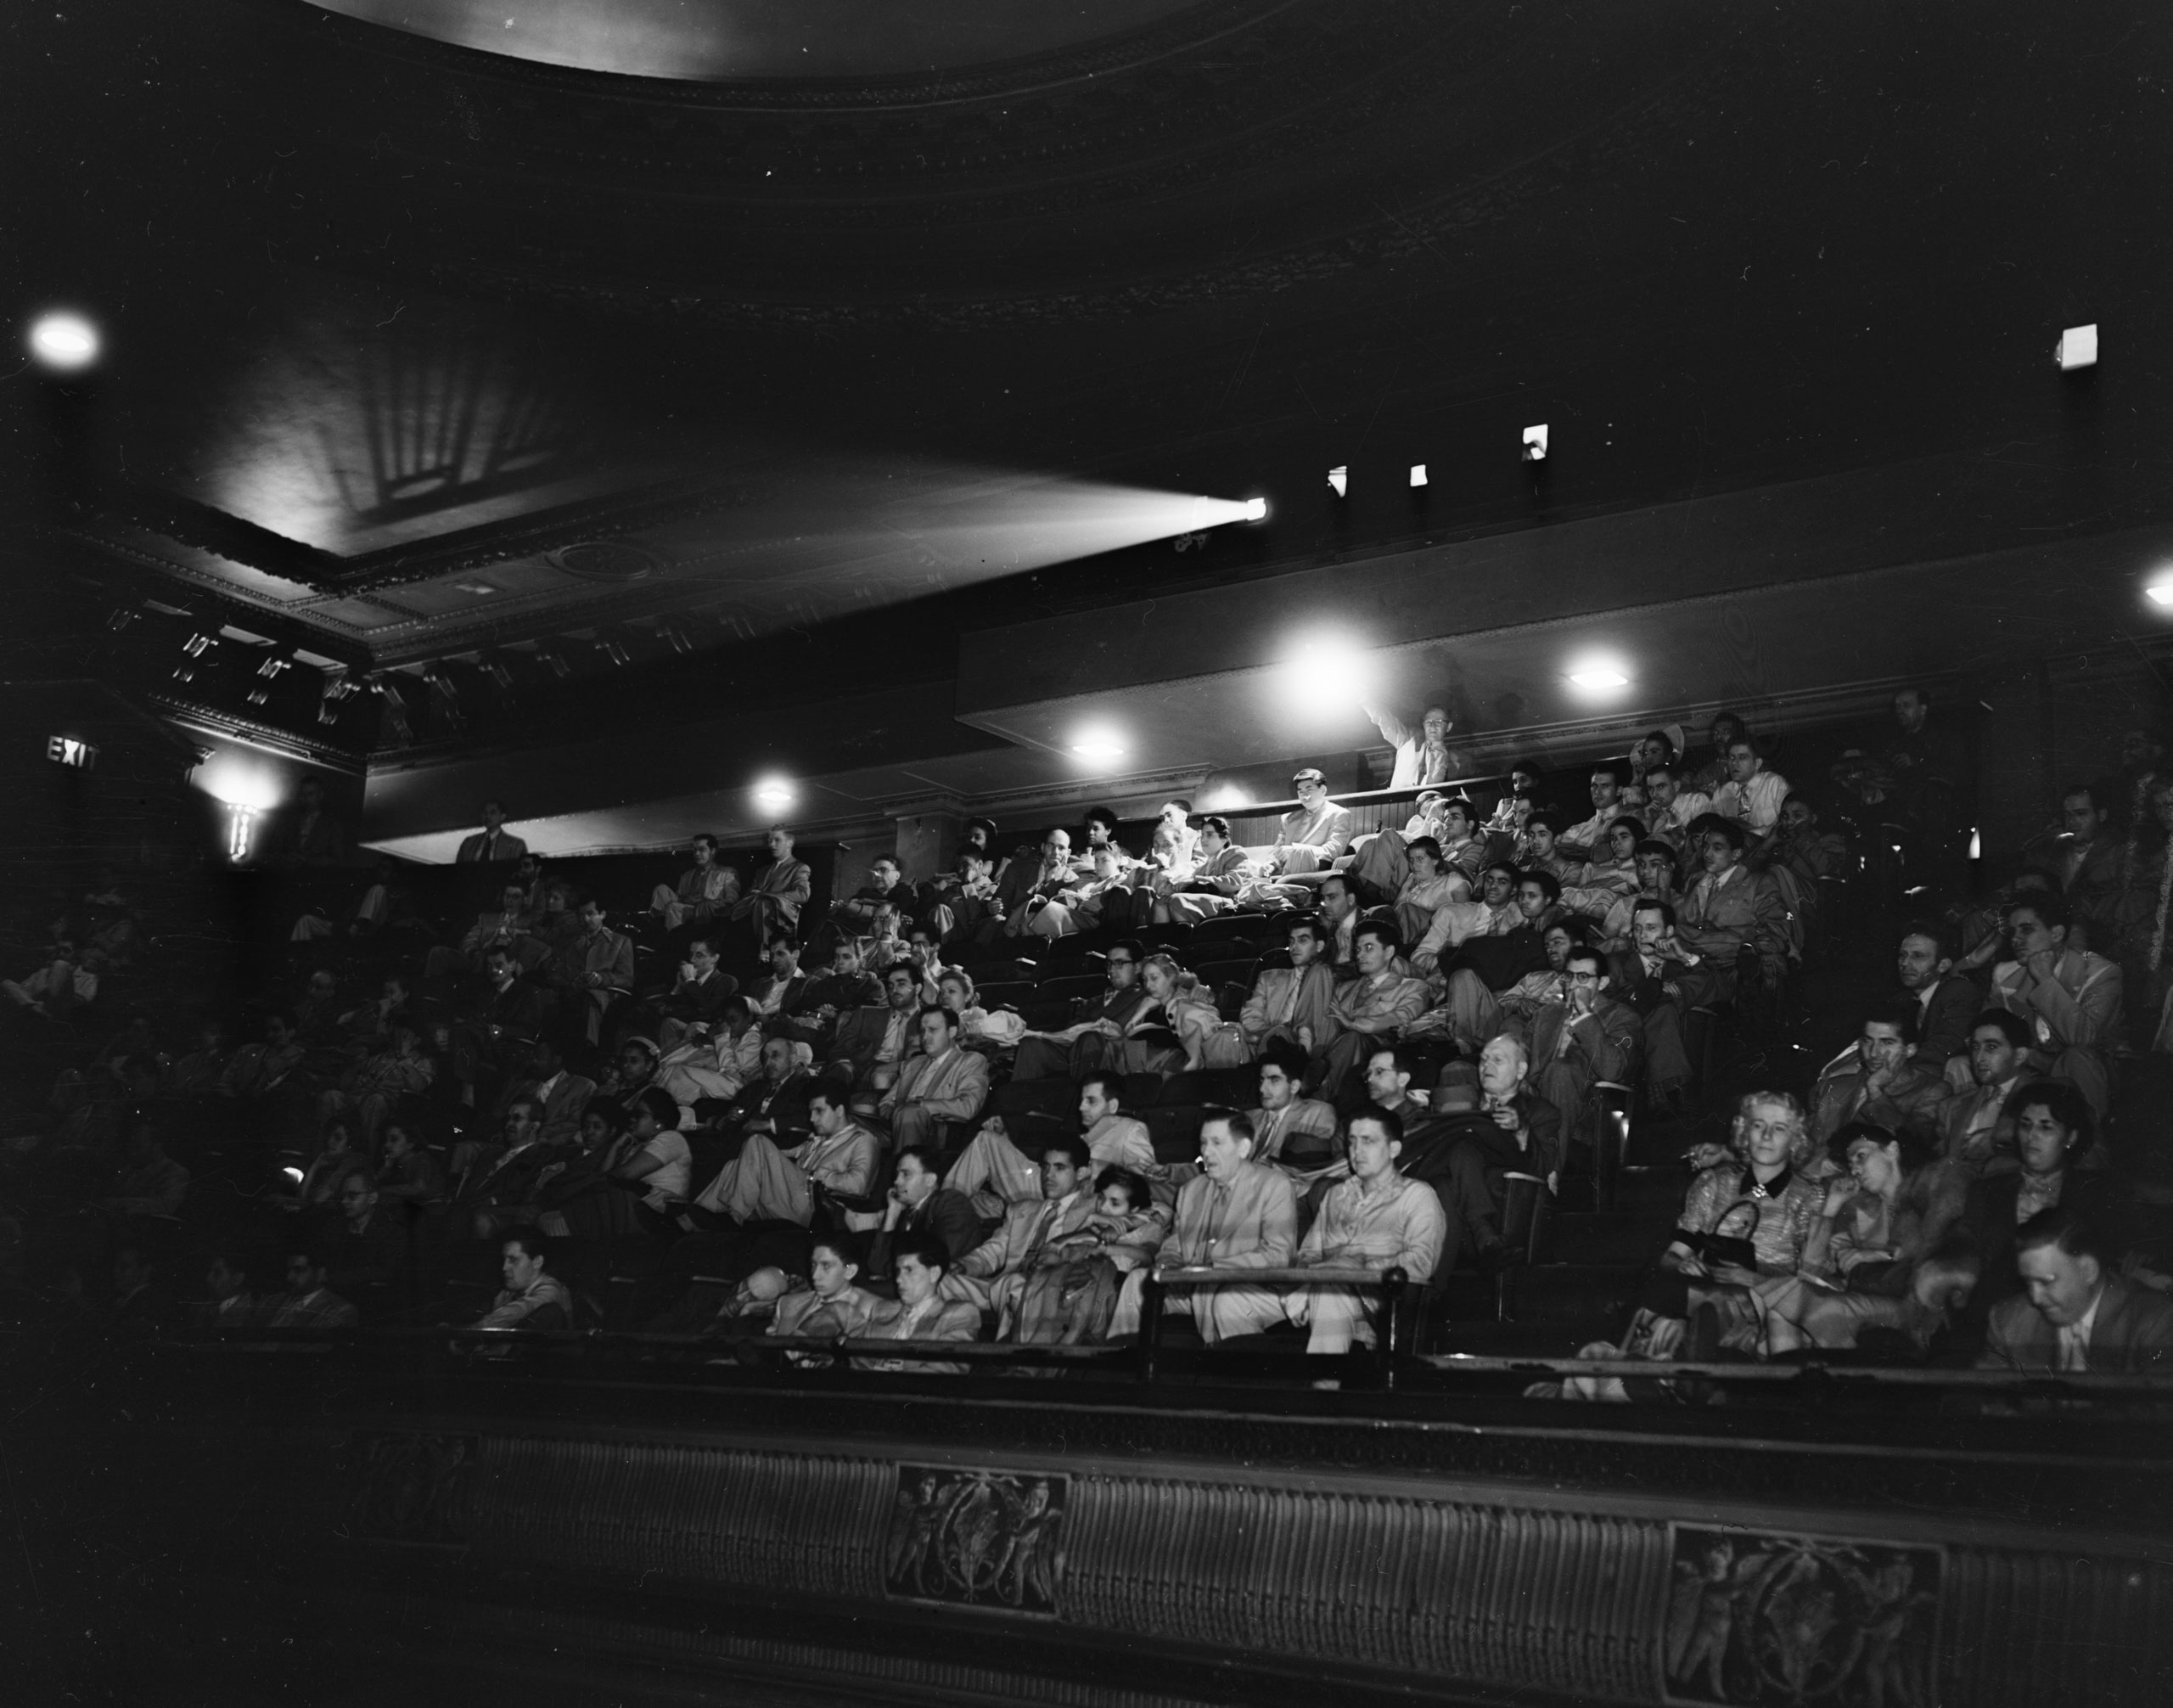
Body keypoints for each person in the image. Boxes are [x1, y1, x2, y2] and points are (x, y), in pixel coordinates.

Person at [1643, 1092, 1828, 1358]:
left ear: (1795, 1140)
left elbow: (1812, 1280)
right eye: (1758, 1125)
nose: (1766, 1136)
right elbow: (1672, 1256)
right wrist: (1682, 1264)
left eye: (1779, 1128)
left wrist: (1756, 1280)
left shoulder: (1808, 1197)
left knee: (1712, 1307)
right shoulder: (1714, 1184)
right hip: (1705, 1291)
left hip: (1766, 1307)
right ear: (1744, 1132)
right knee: (1664, 1296)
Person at [1763, 1121, 1974, 1355]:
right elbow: (1811, 1270)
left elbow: (1944, 1238)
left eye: (1861, 1157)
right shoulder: (1860, 1209)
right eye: (1851, 1164)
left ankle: (1841, 1374)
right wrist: (1832, 1206)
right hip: (1870, 1296)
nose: (1855, 1169)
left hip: (1916, 1300)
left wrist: (1885, 1255)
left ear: (1892, 1150)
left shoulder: (1932, 1183)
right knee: (1781, 1306)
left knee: (1829, 1309)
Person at [1125, 1110, 1299, 1344]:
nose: (1206, 1152)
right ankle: (1125, 1358)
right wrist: (1169, 1263)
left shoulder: (1274, 1185)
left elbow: (1278, 1255)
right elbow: (1174, 1243)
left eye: (1217, 1143)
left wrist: (1213, 1269)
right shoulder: (1190, 1190)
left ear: (1243, 1148)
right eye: (1203, 1143)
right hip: (1191, 1286)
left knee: (1217, 1292)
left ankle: (1220, 1361)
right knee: (1138, 1281)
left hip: (1250, 1288)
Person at [1283, 1108, 1446, 1355]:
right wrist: (1310, 1282)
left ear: (1394, 1149)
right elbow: (1309, 1254)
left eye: (1368, 1141)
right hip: (1321, 1288)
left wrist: (1353, 1268)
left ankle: (1324, 1379)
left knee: (1330, 1294)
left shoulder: (1417, 1195)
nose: (1356, 1151)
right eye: (1352, 1142)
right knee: (1232, 1301)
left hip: (1378, 1300)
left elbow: (1421, 1262)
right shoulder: (1336, 1195)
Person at [1979, 1206, 2173, 1373]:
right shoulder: (2008, 1321)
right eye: (2028, 1282)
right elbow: (1985, 1397)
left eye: (2046, 1282)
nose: (2035, 1297)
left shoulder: (2155, 1320)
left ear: (2088, 1270)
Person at [1988, 893, 2122, 1117]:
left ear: (2057, 934)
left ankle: (2087, 1135)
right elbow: (1992, 1032)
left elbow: (2082, 1039)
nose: (2015, 939)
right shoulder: (2004, 974)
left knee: (2076, 1058)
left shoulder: (2102, 973)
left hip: (2088, 1074)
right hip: (2029, 1069)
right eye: (2013, 932)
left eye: (2026, 930)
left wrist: (2045, 980)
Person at [943, 1137, 1100, 1321]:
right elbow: (992, 1252)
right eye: (1046, 1167)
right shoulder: (1021, 1210)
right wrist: (965, 1265)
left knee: (1014, 1286)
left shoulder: (1093, 1213)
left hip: (1048, 1296)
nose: (1048, 1176)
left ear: (1081, 1173)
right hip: (1001, 1289)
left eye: (1059, 1168)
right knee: (939, 1279)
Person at [1011, 1167, 1167, 1348]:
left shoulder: (1148, 1227)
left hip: (1114, 1282)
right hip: (1074, 1277)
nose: (1104, 1207)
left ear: (1135, 1209)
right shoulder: (1096, 1225)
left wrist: (1104, 1248)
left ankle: (1065, 1343)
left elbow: (1147, 1257)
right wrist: (1089, 1221)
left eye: (1115, 1203)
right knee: (1052, 1278)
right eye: (1101, 1198)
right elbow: (1056, 1247)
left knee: (1090, 1278)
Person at [1314, 920, 1431, 1098]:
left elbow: (1400, 1017)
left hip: (1378, 1049)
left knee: (1353, 1037)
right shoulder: (1344, 988)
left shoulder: (1414, 987)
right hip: (1335, 1045)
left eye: (1368, 948)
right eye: (1358, 949)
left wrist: (1353, 1024)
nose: (1360, 955)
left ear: (1389, 952)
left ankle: (1323, 1094)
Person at [1009, 940, 1154, 1082]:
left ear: (1138, 967)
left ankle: (1088, 1095)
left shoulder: (1146, 998)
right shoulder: (1092, 1002)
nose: (1112, 970)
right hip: (1076, 1053)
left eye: (1119, 963)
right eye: (1109, 964)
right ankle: (1018, 1098)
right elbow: (1070, 1033)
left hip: (1114, 1057)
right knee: (1031, 1045)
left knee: (1090, 1038)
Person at [1807, 1003, 1951, 1146]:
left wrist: (1875, 1091)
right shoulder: (1833, 1087)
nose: (1874, 1053)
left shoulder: (1931, 1090)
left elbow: (1914, 1146)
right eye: (1867, 1040)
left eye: (1887, 1042)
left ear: (1910, 1050)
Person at [857, 1236, 981, 1372]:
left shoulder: (959, 1313)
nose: (898, 1279)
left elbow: (949, 1368)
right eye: (898, 1271)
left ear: (934, 1274)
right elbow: (858, 1362)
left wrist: (892, 1380)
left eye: (909, 1270)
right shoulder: (883, 1310)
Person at [878, 1005, 991, 1150]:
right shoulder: (913, 1064)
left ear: (951, 1032)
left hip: (935, 1131)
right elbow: (886, 1102)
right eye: (923, 1031)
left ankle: (907, 1163)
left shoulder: (970, 1061)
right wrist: (894, 1115)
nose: (925, 1037)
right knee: (856, 1127)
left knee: (910, 1113)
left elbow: (968, 1106)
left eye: (932, 1030)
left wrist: (920, 1105)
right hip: (896, 1125)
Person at [1934, 1010, 2036, 1171]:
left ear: (2020, 1056)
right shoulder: (1950, 1108)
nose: (1979, 1057)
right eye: (1975, 1047)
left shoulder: (2043, 1098)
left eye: (1991, 1047)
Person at [867, 1146, 985, 1282]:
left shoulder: (951, 1202)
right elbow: (877, 1267)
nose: (896, 1181)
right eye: (897, 1174)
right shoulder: (906, 1213)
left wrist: (890, 1270)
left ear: (930, 1180)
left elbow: (938, 1259)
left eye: (906, 1174)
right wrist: (893, 1212)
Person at [826, 962, 924, 1107]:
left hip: (900, 1078)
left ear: (918, 988)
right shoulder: (867, 1014)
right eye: (890, 985)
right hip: (860, 1072)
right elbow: (841, 1049)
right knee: (841, 1072)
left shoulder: (927, 1021)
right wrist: (846, 1064)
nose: (894, 990)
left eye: (901, 984)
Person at [1238, 914, 1339, 1057]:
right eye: (1291, 941)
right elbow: (1250, 1017)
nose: (1294, 947)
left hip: (1309, 1048)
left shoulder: (1327, 980)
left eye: (1302, 940)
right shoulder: (1269, 978)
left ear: (1319, 946)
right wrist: (1273, 1035)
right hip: (1266, 1043)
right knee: (1227, 1034)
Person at [1897, 922, 1979, 1069]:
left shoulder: (1959, 991)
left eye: (1918, 956)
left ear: (1943, 965)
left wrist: (1892, 1065)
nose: (1905, 963)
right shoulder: (1901, 1000)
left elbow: (1945, 1047)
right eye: (1903, 955)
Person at [1154, 816, 1256, 926]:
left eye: (1209, 835)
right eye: (1202, 835)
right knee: (1162, 901)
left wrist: (1196, 881)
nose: (1203, 839)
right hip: (1209, 904)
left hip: (1230, 905)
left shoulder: (1234, 852)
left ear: (1223, 839)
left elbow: (1234, 882)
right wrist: (1178, 887)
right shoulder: (1203, 868)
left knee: (1177, 900)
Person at [1266, 768, 1355, 879]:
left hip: (1317, 870)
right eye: (1301, 791)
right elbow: (1277, 850)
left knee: (1300, 855)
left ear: (1323, 790)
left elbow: (1334, 851)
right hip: (1284, 871)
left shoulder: (1339, 814)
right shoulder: (1288, 818)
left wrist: (1297, 851)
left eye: (1309, 790)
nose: (1305, 796)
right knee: (1245, 861)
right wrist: (1271, 864)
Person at [1363, 700, 1471, 789]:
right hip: (1400, 804)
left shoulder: (1457, 761)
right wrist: (1364, 699)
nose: (1432, 726)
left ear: (1449, 727)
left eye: (1438, 722)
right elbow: (1385, 720)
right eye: (1428, 722)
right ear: (1423, 724)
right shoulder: (1408, 739)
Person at [1711, 737, 1790, 854]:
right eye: (1731, 758)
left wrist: (1750, 835)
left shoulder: (1774, 783)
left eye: (1742, 757)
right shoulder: (1721, 793)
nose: (1734, 763)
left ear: (1757, 763)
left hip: (1773, 852)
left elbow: (1786, 824)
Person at [653, 834, 740, 932]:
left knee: (673, 907)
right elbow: (680, 896)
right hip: (685, 906)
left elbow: (731, 900)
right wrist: (685, 899)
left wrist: (706, 904)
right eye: (694, 850)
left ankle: (674, 936)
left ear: (712, 851)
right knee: (661, 889)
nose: (697, 853)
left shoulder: (727, 873)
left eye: (701, 850)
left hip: (704, 912)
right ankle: (657, 924)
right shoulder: (687, 875)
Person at [264, 1246, 361, 1329]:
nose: (289, 1278)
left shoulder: (340, 1311)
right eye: (288, 1270)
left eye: (299, 1270)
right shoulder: (271, 1301)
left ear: (320, 1273)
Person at [455, 801, 528, 865]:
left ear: (502, 816)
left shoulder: (516, 844)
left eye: (492, 813)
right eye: (485, 813)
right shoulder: (468, 843)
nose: (487, 816)